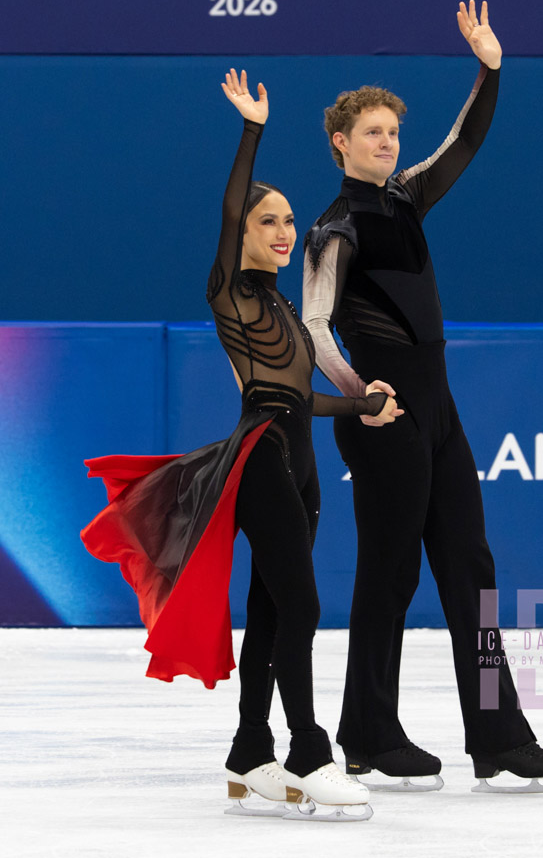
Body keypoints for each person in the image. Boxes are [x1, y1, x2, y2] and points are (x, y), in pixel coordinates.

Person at [81, 68, 400, 821]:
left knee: (271, 609)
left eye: (290, 221)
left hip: (302, 465)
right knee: (303, 602)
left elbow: (298, 394)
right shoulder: (230, 289)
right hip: (260, 459)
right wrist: (252, 130)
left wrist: (361, 405)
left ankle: (250, 752)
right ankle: (309, 751)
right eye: (269, 223)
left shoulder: (285, 307)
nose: (285, 231)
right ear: (243, 235)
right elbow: (232, 210)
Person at [302, 1, 543, 793]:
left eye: (393, 131)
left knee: (470, 570)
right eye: (372, 132)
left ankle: (497, 735)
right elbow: (315, 327)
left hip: (438, 403)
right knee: (389, 575)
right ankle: (368, 732)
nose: (388, 142)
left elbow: (465, 142)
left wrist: (490, 69)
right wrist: (359, 397)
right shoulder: (332, 229)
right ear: (340, 143)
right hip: (384, 413)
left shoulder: (407, 199)